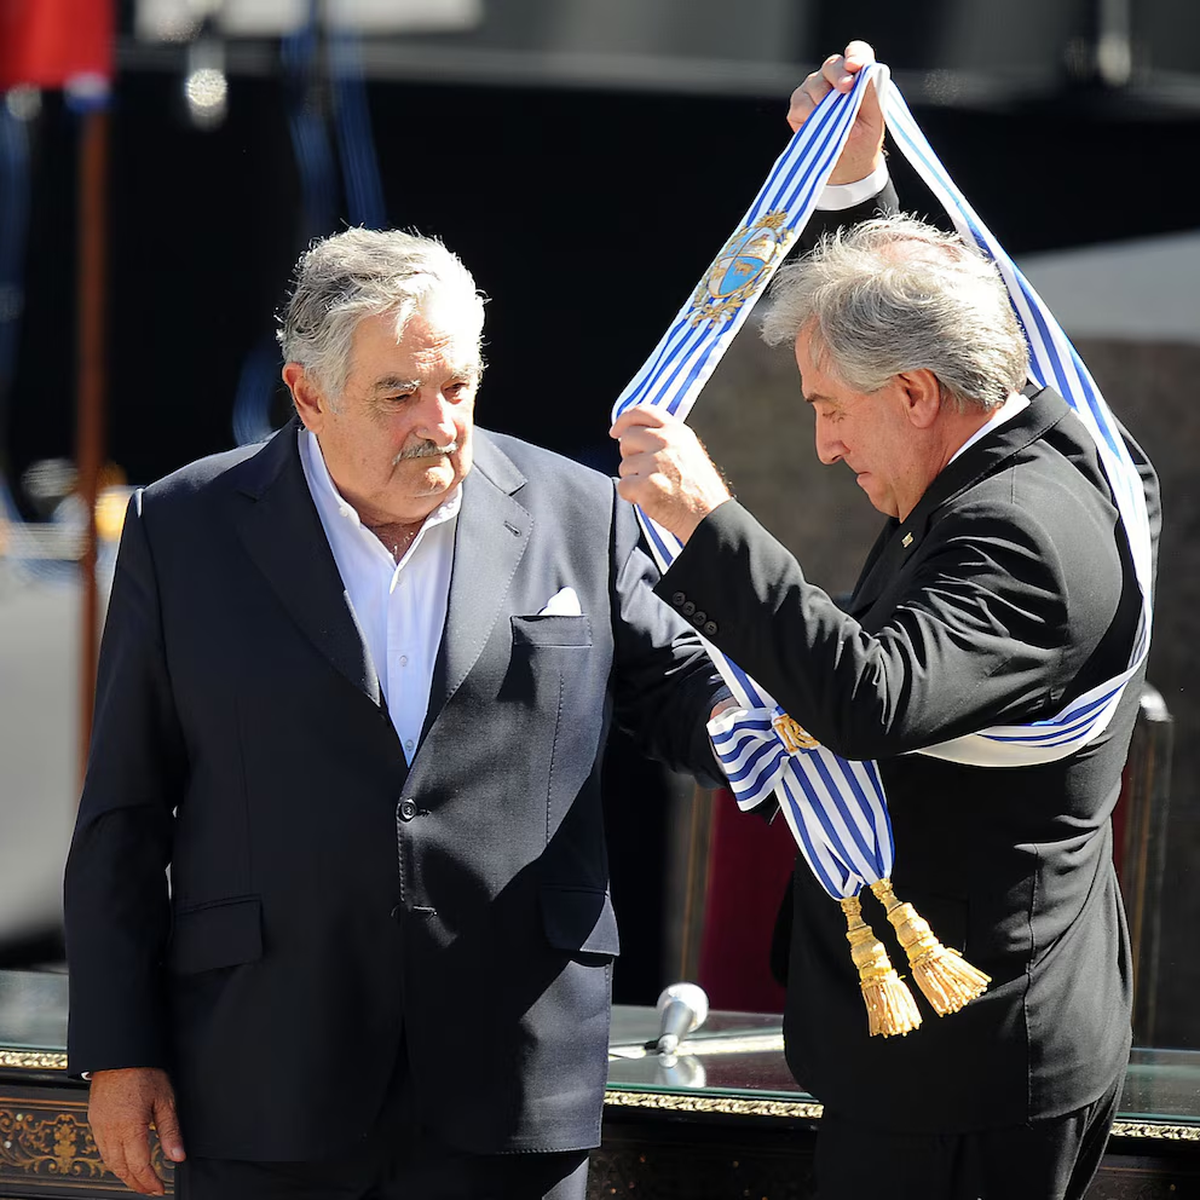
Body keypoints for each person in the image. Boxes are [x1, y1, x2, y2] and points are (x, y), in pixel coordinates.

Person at [63, 227, 732, 1199]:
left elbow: (684, 698)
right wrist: (119, 1051)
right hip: (263, 1069)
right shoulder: (185, 527)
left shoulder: (583, 513)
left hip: (511, 1067)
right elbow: (124, 810)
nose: (439, 422)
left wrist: (783, 714)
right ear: (307, 395)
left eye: (457, 387)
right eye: (399, 394)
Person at [612, 43, 1159, 1200]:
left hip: (968, 1072)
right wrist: (858, 186)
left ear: (915, 395)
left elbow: (870, 697)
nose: (823, 446)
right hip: (954, 1044)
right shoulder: (1042, 437)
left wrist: (707, 521)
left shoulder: (1022, 532)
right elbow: (923, 309)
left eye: (829, 409)